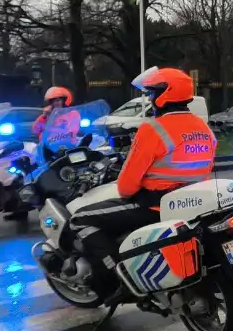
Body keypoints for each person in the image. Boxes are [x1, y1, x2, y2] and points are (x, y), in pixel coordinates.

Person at [66, 67, 217, 299]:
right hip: (194, 204)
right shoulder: (204, 128)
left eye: (152, 93)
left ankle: (113, 278)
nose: (150, 99)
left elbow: (126, 188)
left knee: (79, 219)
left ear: (165, 94)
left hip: (155, 206)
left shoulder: (153, 129)